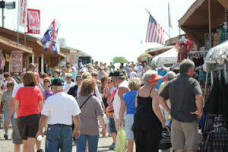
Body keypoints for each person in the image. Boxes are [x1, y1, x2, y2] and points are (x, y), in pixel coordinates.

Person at [159, 59, 203, 152]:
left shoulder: (171, 82)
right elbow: (199, 96)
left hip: (175, 119)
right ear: (190, 70)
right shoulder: (193, 82)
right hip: (189, 118)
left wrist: (169, 111)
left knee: (178, 147)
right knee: (191, 147)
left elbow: (160, 98)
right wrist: (200, 111)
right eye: (193, 69)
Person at [36, 78, 81, 152]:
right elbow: (76, 117)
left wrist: (40, 130)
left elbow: (44, 117)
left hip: (52, 129)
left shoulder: (50, 100)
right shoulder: (71, 99)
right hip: (67, 129)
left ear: (55, 88)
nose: (51, 89)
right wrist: (77, 129)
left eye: (52, 87)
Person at [132, 70, 166, 152]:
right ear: (151, 81)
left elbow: (136, 105)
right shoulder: (154, 91)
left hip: (138, 121)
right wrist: (163, 121)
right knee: (152, 146)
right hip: (151, 122)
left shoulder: (139, 90)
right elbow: (156, 108)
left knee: (140, 147)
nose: (158, 81)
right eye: (156, 80)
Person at [14, 72, 43, 152]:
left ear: (23, 80)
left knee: (25, 142)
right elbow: (41, 106)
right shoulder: (37, 90)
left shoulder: (19, 90)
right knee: (31, 142)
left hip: (22, 117)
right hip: (34, 117)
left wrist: (19, 115)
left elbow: (16, 105)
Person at [76, 78, 106, 152]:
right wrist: (103, 128)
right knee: (93, 149)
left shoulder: (76, 99)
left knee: (80, 149)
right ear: (92, 88)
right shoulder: (95, 100)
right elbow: (100, 116)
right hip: (93, 128)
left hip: (80, 128)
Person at [119, 78, 141, 152]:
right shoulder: (140, 93)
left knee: (130, 140)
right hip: (139, 116)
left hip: (129, 117)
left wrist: (120, 119)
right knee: (139, 139)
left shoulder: (125, 95)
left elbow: (122, 108)